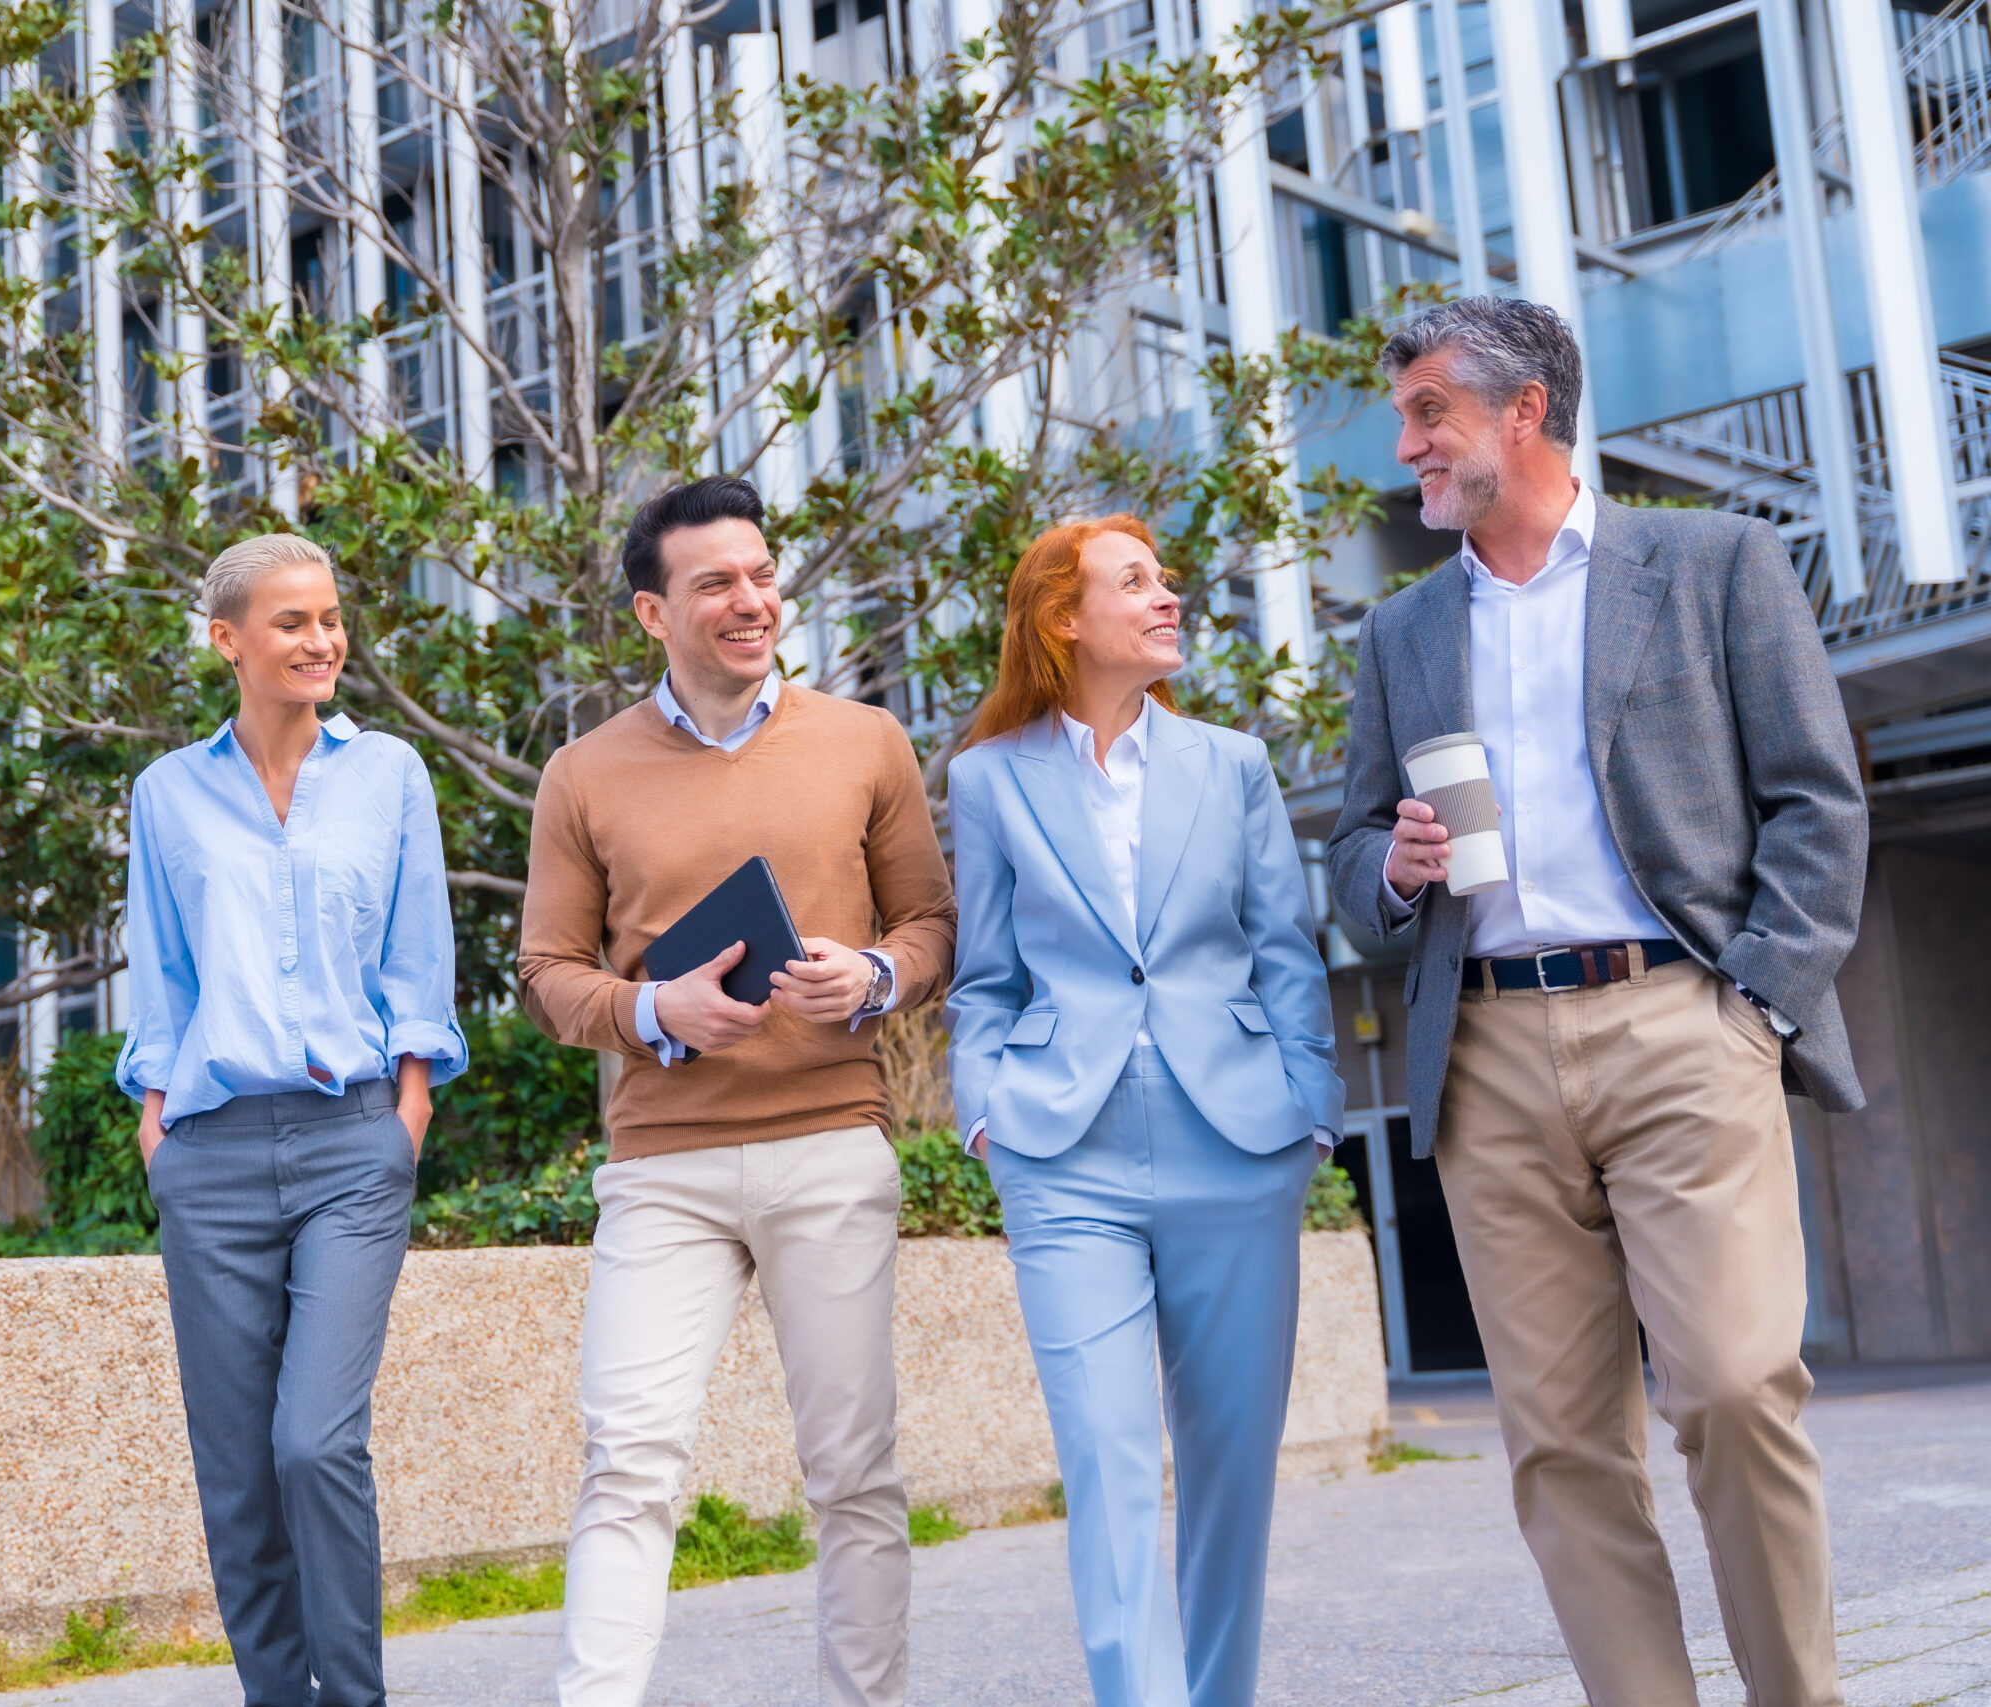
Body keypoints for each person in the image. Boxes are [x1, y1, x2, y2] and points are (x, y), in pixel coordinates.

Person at [1326, 296, 1867, 1707]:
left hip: (1683, 1015)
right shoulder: (1401, 630)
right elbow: (1350, 850)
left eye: (1430, 410)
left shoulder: (1713, 562)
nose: (1408, 447)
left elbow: (1817, 798)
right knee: (1563, 1441)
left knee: (1740, 1385)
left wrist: (1756, 995)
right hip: (1488, 1048)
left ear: (1525, 410)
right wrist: (1390, 862)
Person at [516, 475, 957, 1707]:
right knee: (629, 1461)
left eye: (761, 575)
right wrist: (657, 1010)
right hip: (662, 1165)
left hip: (831, 1141)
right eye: (717, 583)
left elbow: (931, 926)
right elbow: (548, 975)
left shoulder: (866, 741)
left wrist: (870, 977)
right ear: (655, 614)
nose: (751, 600)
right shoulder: (582, 773)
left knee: (854, 1472)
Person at [943, 517, 1343, 1707]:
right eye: (1136, 583)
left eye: (1165, 580)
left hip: (1239, 1145)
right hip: (1063, 1157)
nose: (1167, 598)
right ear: (1063, 618)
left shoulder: (1232, 763)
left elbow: (1286, 952)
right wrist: (986, 1116)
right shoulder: (987, 778)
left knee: (1229, 1472)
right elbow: (985, 980)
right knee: (1109, 1464)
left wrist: (1308, 1108)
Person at [118, 532, 467, 1707]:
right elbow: (159, 974)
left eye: (330, 618)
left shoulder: (392, 776)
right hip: (208, 1157)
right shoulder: (167, 792)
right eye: (291, 623)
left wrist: (409, 1107)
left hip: (351, 1147)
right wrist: (157, 1125)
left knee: (313, 1441)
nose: (322, 640)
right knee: (235, 1473)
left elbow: (420, 953)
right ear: (227, 641)